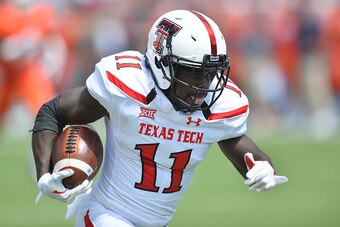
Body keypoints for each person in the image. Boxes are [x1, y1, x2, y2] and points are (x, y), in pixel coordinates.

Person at [31, 10, 288, 227]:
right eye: (193, 73)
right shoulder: (129, 87)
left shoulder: (219, 108)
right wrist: (44, 175)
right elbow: (53, 111)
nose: (203, 86)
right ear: (163, 64)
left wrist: (264, 169)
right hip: (106, 214)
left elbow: (254, 158)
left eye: (210, 74)